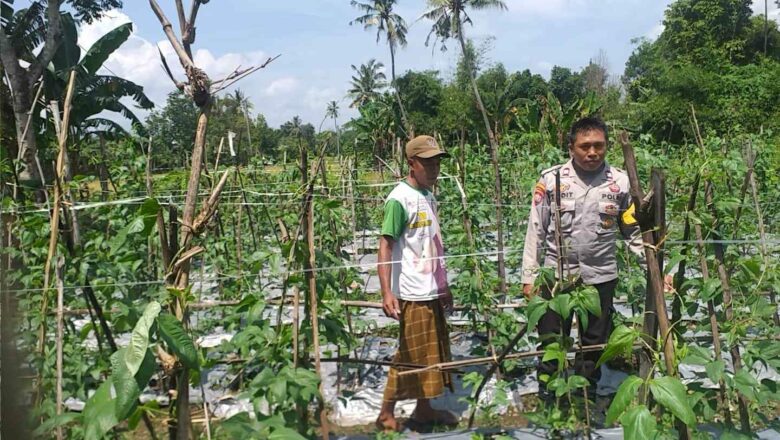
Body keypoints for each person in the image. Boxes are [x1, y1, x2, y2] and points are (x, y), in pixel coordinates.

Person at [521, 116, 646, 391]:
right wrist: (529, 276)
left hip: (600, 276)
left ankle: (586, 394)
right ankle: (550, 394)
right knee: (553, 341)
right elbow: (535, 229)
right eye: (585, 146)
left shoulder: (621, 184)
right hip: (556, 277)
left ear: (607, 146)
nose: (592, 152)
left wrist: (656, 269)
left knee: (594, 343)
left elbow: (632, 232)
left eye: (599, 146)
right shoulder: (551, 180)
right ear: (571, 148)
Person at [375, 135, 457, 432]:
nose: (435, 168)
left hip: (430, 288)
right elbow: (385, 245)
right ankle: (386, 412)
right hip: (413, 291)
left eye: (437, 162)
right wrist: (386, 292)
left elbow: (432, 244)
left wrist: (443, 284)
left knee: (430, 353)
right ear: (411, 163)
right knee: (410, 355)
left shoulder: (427, 194)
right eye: (428, 163)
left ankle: (423, 410)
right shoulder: (399, 199)